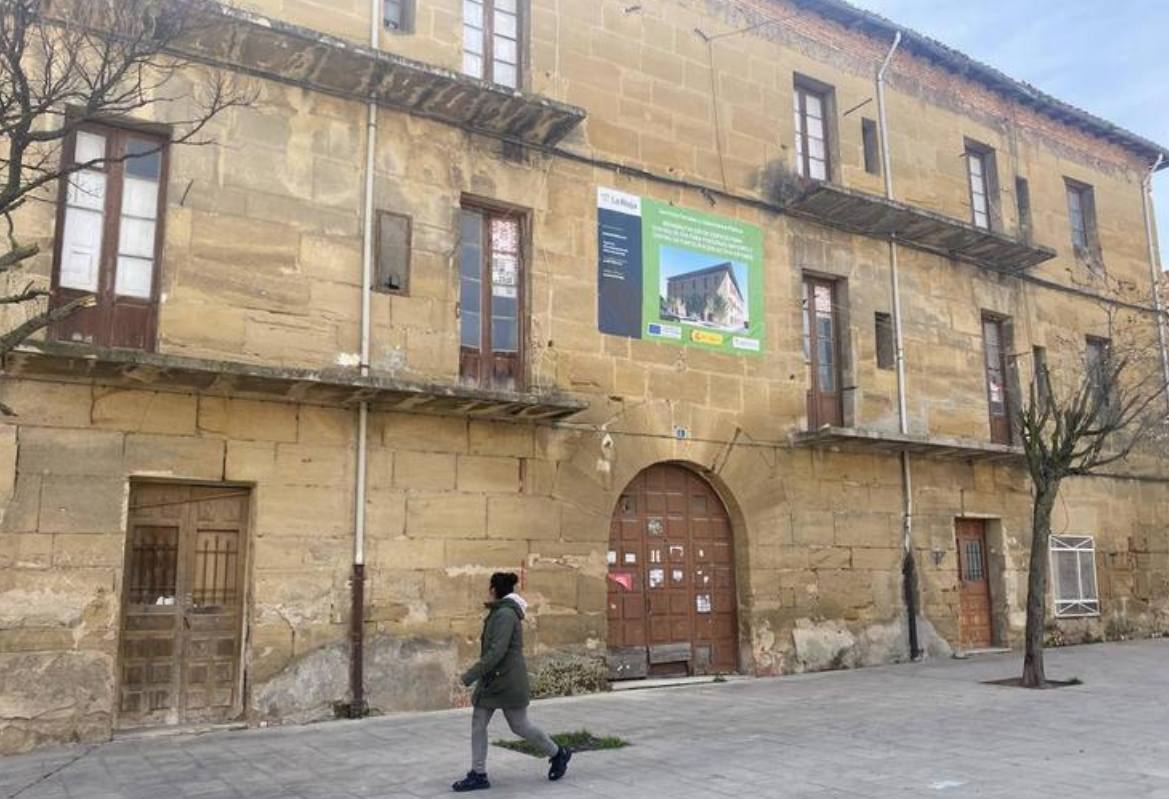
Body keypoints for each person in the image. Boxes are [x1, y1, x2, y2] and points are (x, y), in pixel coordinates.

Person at [452, 572, 571, 792]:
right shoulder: (500, 612)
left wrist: (470, 675)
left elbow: (497, 651)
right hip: (494, 680)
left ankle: (557, 753)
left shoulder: (505, 614)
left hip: (507, 680)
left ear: (494, 589)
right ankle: (478, 774)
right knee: (479, 723)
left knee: (519, 725)